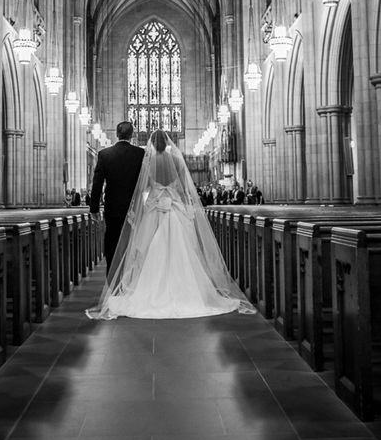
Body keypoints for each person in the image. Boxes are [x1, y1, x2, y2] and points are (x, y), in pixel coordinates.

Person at [86, 129, 256, 320]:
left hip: (155, 208)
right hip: (175, 208)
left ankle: (150, 288)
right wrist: (183, 205)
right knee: (181, 250)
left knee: (151, 249)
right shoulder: (176, 160)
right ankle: (184, 289)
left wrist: (145, 204)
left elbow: (145, 188)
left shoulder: (149, 163)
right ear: (168, 142)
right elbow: (184, 189)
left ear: (151, 143)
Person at [89, 121, 145, 274]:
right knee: (132, 240)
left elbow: (97, 184)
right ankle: (131, 274)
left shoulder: (105, 154)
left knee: (112, 240)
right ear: (132, 135)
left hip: (112, 207)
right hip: (134, 207)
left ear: (116, 134)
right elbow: (145, 182)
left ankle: (112, 274)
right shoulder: (140, 154)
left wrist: (94, 208)